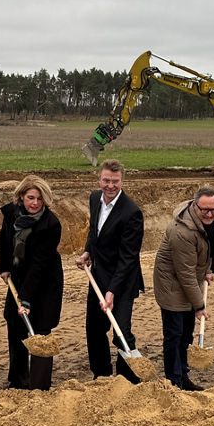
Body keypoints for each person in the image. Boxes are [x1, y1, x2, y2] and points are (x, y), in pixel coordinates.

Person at [76, 159, 145, 382]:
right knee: (94, 329)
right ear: (99, 180)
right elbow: (95, 231)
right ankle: (102, 375)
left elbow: (128, 258)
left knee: (121, 331)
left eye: (115, 181)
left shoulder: (131, 212)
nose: (110, 186)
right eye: (106, 180)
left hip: (123, 282)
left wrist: (112, 291)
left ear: (122, 181)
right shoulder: (95, 198)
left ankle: (128, 381)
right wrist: (88, 252)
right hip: (98, 276)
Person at [0, 174, 64, 390]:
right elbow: (4, 239)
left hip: (45, 282)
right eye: (31, 198)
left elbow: (39, 265)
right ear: (22, 197)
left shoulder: (51, 225)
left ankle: (39, 387)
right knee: (15, 327)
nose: (35, 203)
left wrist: (25, 300)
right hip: (18, 276)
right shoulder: (11, 214)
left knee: (40, 332)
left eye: (40, 199)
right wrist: (5, 267)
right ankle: (18, 382)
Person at [152, 186, 214, 390]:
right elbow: (186, 274)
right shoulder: (181, 232)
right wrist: (199, 306)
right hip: (171, 286)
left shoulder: (206, 222)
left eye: (213, 210)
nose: (209, 214)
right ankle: (173, 382)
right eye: (205, 210)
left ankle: (183, 377)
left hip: (188, 282)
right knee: (174, 336)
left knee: (186, 334)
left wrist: (208, 269)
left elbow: (207, 248)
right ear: (194, 206)